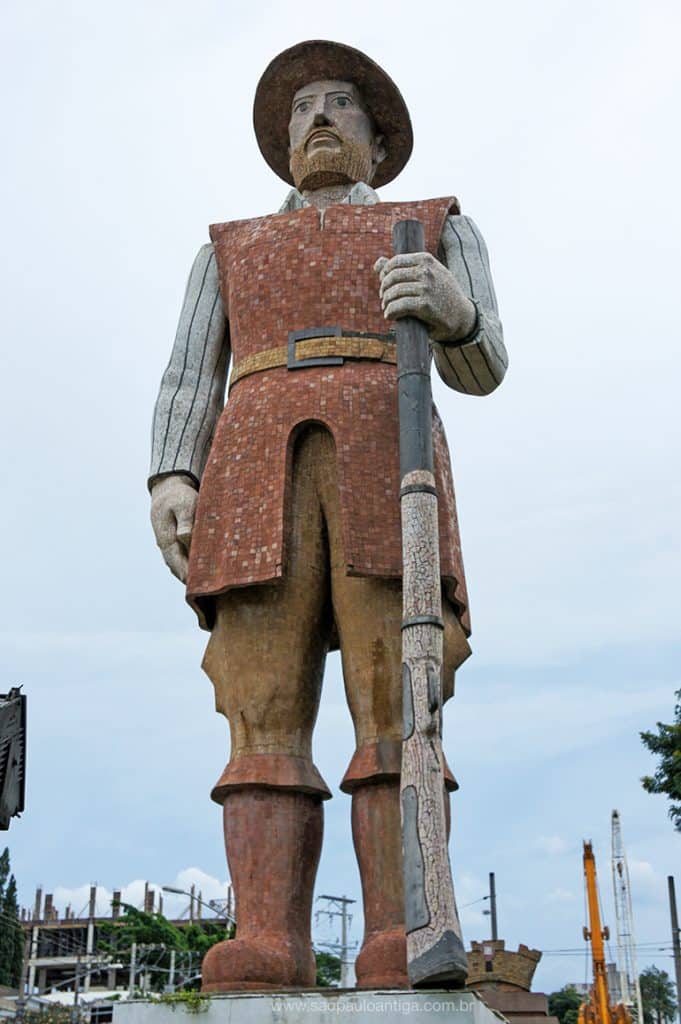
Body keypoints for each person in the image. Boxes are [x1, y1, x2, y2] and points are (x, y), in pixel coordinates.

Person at [149, 40, 507, 992]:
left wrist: (451, 310)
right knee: (258, 706)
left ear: (377, 140)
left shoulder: (429, 228)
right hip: (254, 464)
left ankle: (399, 929)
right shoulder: (227, 248)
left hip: (389, 467)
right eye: (301, 106)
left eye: (339, 103)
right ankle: (266, 933)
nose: (315, 117)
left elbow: (484, 367)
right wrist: (171, 474)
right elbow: (190, 372)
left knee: (399, 701)